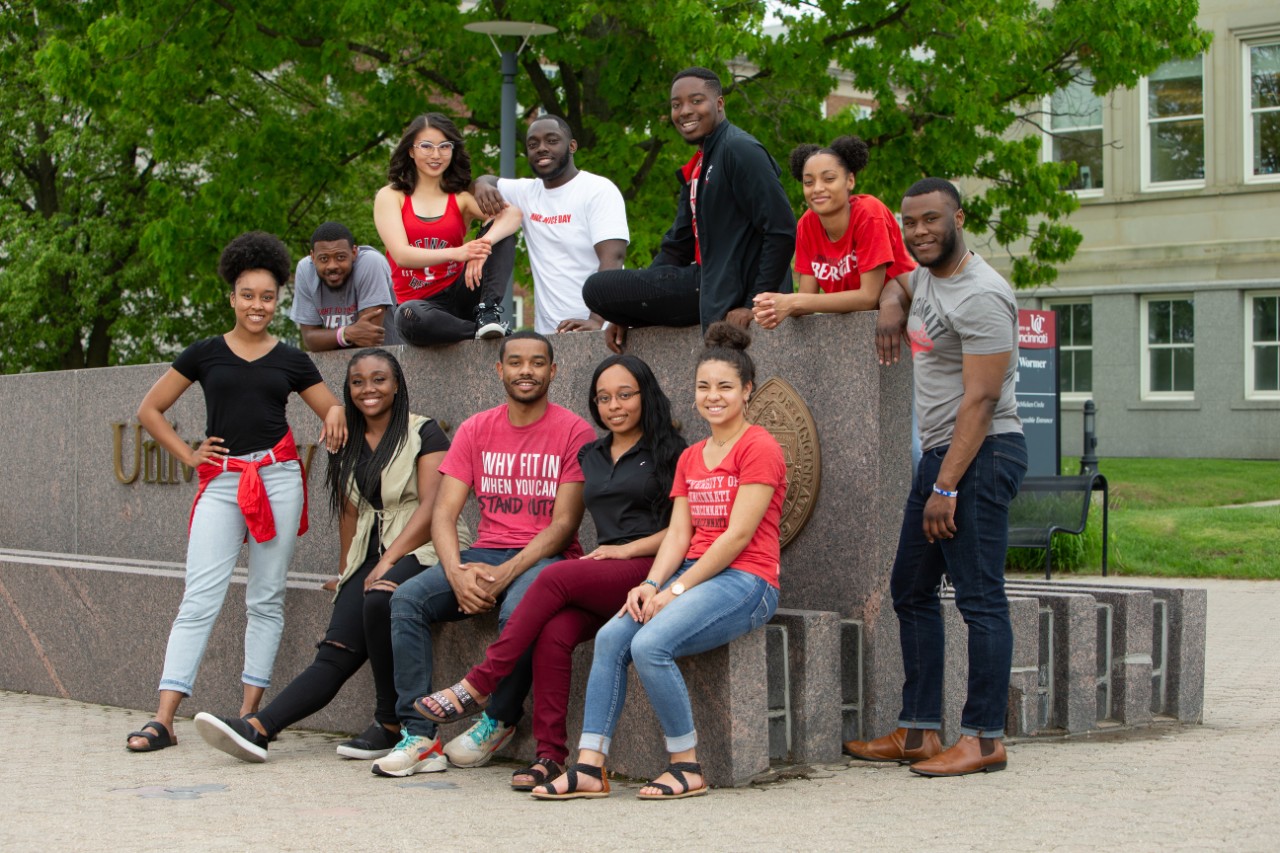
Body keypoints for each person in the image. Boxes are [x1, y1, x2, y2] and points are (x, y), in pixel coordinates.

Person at [532, 322, 787, 800]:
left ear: (747, 390)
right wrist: (652, 582)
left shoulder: (760, 446)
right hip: (693, 575)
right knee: (612, 636)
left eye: (725, 387)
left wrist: (674, 592)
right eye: (704, 387)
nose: (713, 397)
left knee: (650, 644)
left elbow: (735, 537)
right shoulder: (692, 456)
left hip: (748, 581)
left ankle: (686, 765)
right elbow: (680, 533)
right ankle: (590, 767)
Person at [413, 354, 686, 791]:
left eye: (625, 395)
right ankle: (550, 757)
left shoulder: (673, 452)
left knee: (551, 577)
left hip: (653, 569)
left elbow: (686, 530)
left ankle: (481, 682)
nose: (614, 405)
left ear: (645, 395)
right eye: (603, 398)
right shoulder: (591, 455)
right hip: (606, 570)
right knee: (553, 632)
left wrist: (626, 551)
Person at [191, 349, 472, 763]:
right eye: (357, 382)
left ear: (396, 385)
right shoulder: (346, 441)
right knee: (336, 647)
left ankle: (390, 723)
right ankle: (258, 729)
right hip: (370, 552)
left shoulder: (423, 432)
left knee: (380, 597)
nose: (368, 389)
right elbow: (350, 513)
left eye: (379, 379)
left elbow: (433, 505)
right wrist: (347, 574)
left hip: (427, 545)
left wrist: (388, 560)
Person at [125, 232, 346, 752]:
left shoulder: (292, 360)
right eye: (248, 295)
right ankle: (163, 719)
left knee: (265, 599)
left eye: (267, 297)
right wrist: (188, 454)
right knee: (199, 597)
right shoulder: (204, 354)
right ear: (232, 297)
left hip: (278, 479)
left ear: (278, 301)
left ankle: (248, 720)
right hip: (224, 483)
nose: (257, 305)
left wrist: (335, 410)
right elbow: (148, 411)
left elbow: (330, 407)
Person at [844, 178, 1027, 777]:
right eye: (910, 222)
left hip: (982, 454)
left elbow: (982, 400)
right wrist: (893, 299)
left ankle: (984, 738)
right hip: (942, 458)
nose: (920, 230)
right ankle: (920, 730)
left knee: (979, 599)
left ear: (958, 218)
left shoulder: (982, 295)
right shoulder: (925, 278)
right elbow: (897, 279)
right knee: (911, 589)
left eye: (931, 220)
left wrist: (945, 486)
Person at [372, 331, 597, 777]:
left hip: (546, 560)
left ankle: (498, 719)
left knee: (519, 608)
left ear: (553, 371)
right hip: (485, 553)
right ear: (499, 370)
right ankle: (419, 735)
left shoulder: (575, 430)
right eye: (515, 362)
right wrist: (455, 571)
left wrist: (508, 572)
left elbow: (565, 524)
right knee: (406, 599)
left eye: (537, 363)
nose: (526, 371)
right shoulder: (476, 428)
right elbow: (443, 511)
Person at [581, 67, 795, 351]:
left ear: (719, 104)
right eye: (676, 104)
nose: (684, 111)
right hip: (707, 286)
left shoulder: (740, 150)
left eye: (696, 101)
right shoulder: (698, 164)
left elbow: (781, 229)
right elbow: (676, 247)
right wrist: (630, 312)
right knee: (604, 291)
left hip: (733, 287)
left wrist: (753, 303)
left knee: (598, 286)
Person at [374, 113, 524, 345]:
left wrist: (482, 247)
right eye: (426, 146)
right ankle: (477, 331)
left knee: (502, 233)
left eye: (444, 146)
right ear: (411, 151)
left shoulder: (460, 198)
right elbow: (402, 255)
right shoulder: (391, 196)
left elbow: (513, 214)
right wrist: (459, 253)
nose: (436, 154)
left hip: (462, 292)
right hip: (422, 307)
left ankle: (487, 313)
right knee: (407, 316)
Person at [472, 114, 629, 336]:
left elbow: (613, 258)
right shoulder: (526, 192)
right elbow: (485, 180)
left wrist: (595, 320)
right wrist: (482, 185)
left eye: (552, 140)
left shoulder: (598, 190)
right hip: (548, 335)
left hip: (603, 330)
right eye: (533, 144)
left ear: (572, 146)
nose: (541, 148)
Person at [752, 135, 915, 328]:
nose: (817, 189)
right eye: (808, 182)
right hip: (855, 328)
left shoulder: (869, 214)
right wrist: (772, 304)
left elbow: (868, 297)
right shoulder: (807, 224)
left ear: (850, 180)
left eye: (829, 179)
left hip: (908, 312)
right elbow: (808, 298)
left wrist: (792, 302)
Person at [290, 221, 400, 350]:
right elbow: (310, 339)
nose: (332, 266)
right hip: (338, 363)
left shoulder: (370, 263)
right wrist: (346, 333)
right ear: (313, 257)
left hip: (388, 358)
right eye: (324, 259)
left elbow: (369, 337)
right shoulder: (305, 270)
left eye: (340, 257)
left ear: (354, 253)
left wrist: (329, 338)